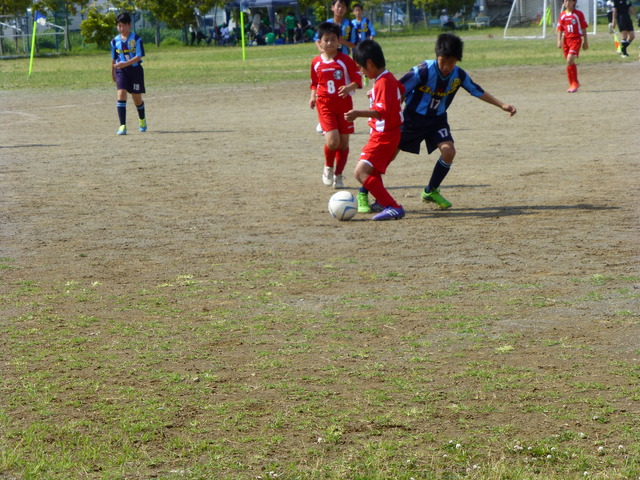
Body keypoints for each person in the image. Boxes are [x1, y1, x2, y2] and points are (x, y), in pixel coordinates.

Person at [396, 33, 516, 209]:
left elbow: (476, 90)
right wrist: (387, 108)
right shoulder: (423, 70)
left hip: (437, 120)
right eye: (443, 61)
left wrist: (502, 105)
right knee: (388, 153)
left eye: (451, 62)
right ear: (437, 56)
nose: (446, 66)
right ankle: (366, 191)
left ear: (457, 60)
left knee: (449, 151)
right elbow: (398, 89)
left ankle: (431, 190)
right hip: (412, 119)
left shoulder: (458, 75)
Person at [346, 40, 405, 221]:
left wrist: (358, 113)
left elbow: (382, 111)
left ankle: (393, 206)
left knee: (360, 172)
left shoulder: (383, 83)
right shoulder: (387, 78)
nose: (361, 72)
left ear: (370, 63)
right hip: (388, 134)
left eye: (361, 67)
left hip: (384, 136)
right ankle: (382, 202)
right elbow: (401, 91)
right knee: (371, 171)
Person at [309, 22, 362, 189]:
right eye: (326, 40)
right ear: (320, 42)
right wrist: (312, 97)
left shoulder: (346, 60)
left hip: (345, 106)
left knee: (344, 143)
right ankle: (328, 167)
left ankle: (338, 175)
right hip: (325, 105)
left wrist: (349, 87)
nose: (330, 43)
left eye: (333, 39)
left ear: (339, 41)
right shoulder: (316, 62)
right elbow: (314, 82)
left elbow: (358, 80)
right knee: (333, 141)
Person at [111, 11, 147, 135]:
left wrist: (124, 64)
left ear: (129, 25)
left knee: (136, 97)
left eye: (124, 25)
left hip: (135, 71)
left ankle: (142, 119)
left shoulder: (136, 39)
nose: (121, 28)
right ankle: (122, 126)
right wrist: (113, 72)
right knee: (121, 94)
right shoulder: (115, 41)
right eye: (119, 26)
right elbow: (114, 58)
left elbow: (138, 56)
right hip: (121, 71)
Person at [557, 0, 589, 93]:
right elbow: (560, 29)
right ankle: (572, 83)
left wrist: (585, 41)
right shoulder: (562, 14)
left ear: (574, 2)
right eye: (566, 1)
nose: (567, 3)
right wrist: (559, 40)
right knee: (569, 62)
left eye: (569, 1)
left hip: (576, 40)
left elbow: (583, 28)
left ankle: (575, 83)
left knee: (570, 59)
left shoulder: (578, 14)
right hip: (566, 40)